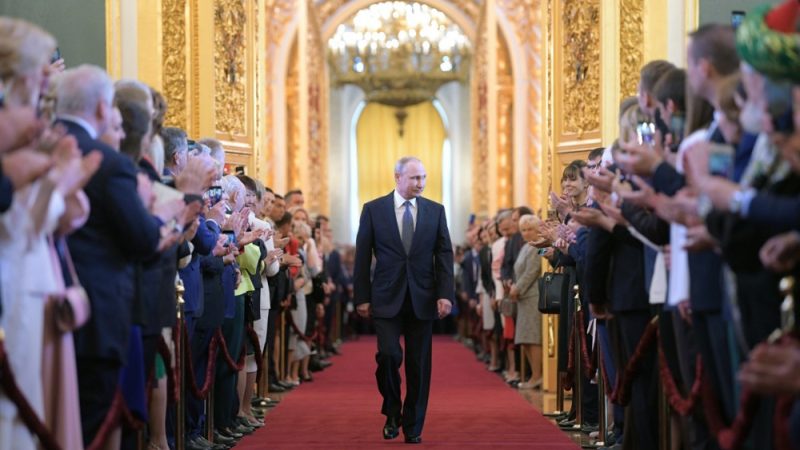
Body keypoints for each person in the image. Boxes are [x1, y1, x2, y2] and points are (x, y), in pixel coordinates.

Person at [353, 156, 454, 444]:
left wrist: (445, 293)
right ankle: (392, 410)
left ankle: (413, 425)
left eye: (423, 177)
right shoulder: (373, 210)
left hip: (423, 297)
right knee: (388, 355)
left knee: (419, 365)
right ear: (397, 177)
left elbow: (444, 255)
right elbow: (362, 257)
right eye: (414, 178)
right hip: (385, 297)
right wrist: (361, 296)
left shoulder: (436, 211)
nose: (420, 183)